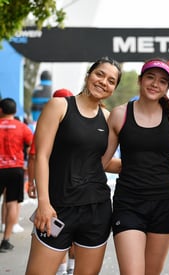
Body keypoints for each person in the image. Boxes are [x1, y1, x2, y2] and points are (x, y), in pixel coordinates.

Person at [25, 56, 122, 275]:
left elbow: (101, 163)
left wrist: (144, 166)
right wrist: (43, 203)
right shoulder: (59, 106)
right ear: (88, 75)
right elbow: (42, 155)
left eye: (111, 80)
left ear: (113, 88)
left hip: (97, 210)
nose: (103, 82)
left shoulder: (108, 118)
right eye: (99, 74)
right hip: (58, 208)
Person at [101, 58, 169, 275]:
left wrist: (163, 175)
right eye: (150, 77)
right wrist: (132, 167)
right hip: (129, 204)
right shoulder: (121, 113)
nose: (156, 84)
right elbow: (103, 161)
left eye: (162, 81)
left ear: (167, 87)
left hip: (163, 204)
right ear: (140, 80)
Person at [26, 88, 76, 275]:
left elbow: (34, 157)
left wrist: (31, 183)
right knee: (71, 230)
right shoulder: (78, 124)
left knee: (53, 230)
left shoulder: (46, 123)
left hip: (51, 188)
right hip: (75, 190)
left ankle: (62, 270)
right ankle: (70, 268)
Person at [0, 98, 33, 252]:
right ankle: (6, 240)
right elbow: (32, 149)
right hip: (15, 169)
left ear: (1, 110)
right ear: (14, 112)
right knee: (12, 203)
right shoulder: (22, 127)